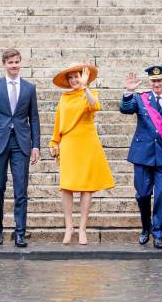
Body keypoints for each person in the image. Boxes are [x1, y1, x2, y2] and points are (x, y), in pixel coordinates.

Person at [120, 66, 162, 249]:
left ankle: (158, 233)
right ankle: (145, 227)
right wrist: (128, 92)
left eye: (160, 80)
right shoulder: (140, 99)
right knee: (142, 194)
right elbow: (125, 109)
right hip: (142, 154)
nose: (157, 84)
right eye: (154, 81)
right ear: (150, 82)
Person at [0, 49, 40, 247]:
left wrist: (36, 145)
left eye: (17, 62)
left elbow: (34, 118)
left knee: (21, 190)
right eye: (10, 62)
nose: (14, 65)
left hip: (21, 143)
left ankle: (20, 232)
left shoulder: (29, 88)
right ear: (4, 64)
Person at [50, 63, 115, 245]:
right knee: (66, 186)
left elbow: (94, 106)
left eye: (76, 76)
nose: (73, 80)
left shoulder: (90, 93)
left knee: (86, 187)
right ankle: (69, 227)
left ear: (83, 77)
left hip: (87, 142)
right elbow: (58, 121)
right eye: (70, 78)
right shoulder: (64, 98)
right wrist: (54, 141)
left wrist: (85, 87)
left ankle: (82, 229)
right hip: (69, 143)